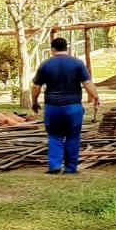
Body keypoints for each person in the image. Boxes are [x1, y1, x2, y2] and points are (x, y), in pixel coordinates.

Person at [30, 36, 102, 175]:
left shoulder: (45, 64)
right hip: (73, 107)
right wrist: (96, 97)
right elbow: (87, 83)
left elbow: (36, 86)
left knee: (54, 136)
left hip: (53, 107)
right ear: (66, 48)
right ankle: (71, 168)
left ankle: (55, 166)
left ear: (52, 49)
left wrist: (34, 101)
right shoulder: (78, 63)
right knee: (73, 136)